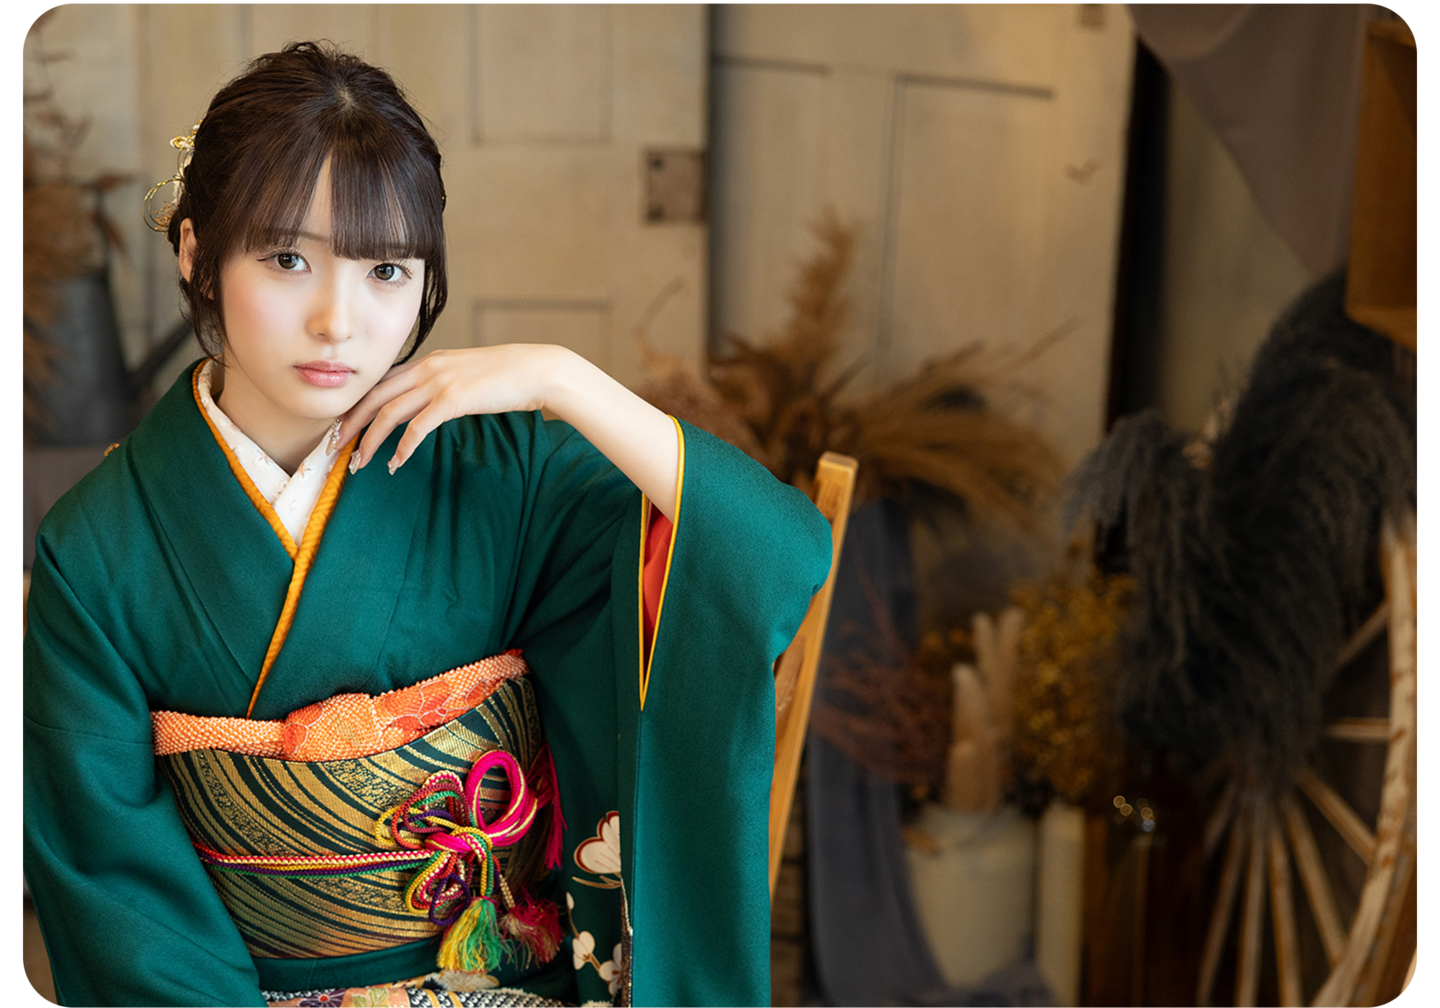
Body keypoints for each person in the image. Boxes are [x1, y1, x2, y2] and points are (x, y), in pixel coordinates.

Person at [21, 42, 831, 1008]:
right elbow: (115, 894)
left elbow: (771, 559)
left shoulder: (504, 474)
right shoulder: (97, 549)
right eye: (287, 259)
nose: (339, 321)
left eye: (386, 270)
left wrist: (563, 380)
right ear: (196, 251)